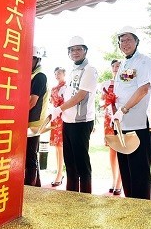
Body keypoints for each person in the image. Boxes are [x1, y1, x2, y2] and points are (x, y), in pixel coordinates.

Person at [110, 26, 151, 200]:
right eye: (122, 40)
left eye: (129, 39)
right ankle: (130, 204)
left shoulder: (144, 61)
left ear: (137, 41)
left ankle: (142, 209)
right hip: (121, 124)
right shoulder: (123, 64)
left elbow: (143, 89)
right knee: (126, 169)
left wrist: (124, 109)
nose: (125, 43)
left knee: (139, 171)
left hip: (136, 123)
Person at [50, 36, 98, 193]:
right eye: (72, 50)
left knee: (82, 164)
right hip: (68, 122)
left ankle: (85, 200)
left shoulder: (89, 70)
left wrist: (59, 109)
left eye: (79, 49)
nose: (75, 52)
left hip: (81, 122)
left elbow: (81, 95)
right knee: (70, 164)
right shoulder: (72, 71)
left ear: (85, 51)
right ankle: (70, 199)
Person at [26, 46, 48, 187]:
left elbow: (32, 101)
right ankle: (36, 185)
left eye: (32, 58)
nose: (29, 60)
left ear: (38, 60)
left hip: (33, 122)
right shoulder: (31, 75)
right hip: (28, 121)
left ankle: (29, 187)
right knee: (31, 155)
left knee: (30, 157)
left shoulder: (40, 76)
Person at [101, 59, 122, 195]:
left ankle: (119, 182)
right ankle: (113, 179)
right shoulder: (106, 84)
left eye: (118, 66)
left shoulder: (125, 82)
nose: (115, 68)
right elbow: (102, 100)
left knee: (120, 148)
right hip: (108, 117)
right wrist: (107, 104)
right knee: (111, 150)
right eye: (113, 66)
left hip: (121, 117)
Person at [49, 67, 66, 187]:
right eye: (55, 73)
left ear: (64, 74)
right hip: (54, 118)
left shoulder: (67, 87)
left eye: (59, 73)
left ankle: (60, 173)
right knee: (57, 146)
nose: (57, 75)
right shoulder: (53, 88)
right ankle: (59, 171)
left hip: (63, 117)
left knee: (61, 146)